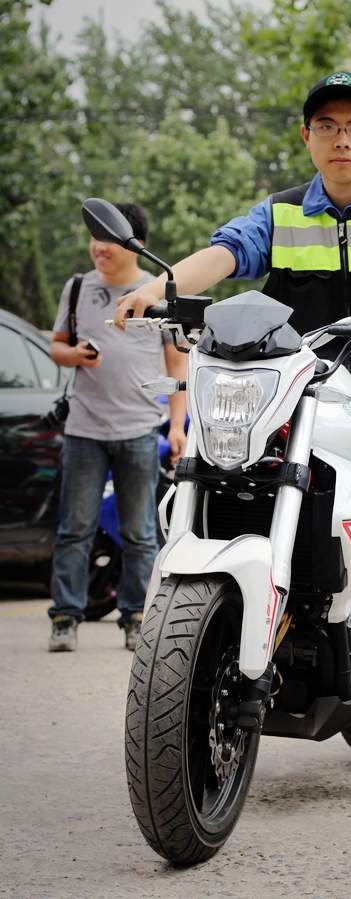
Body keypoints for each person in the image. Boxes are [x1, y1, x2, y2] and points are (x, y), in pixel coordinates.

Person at [114, 74, 351, 809]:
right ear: (307, 137)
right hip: (297, 417)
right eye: (326, 126)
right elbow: (227, 251)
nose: (341, 139)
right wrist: (159, 291)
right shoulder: (283, 212)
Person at [48, 202, 187, 652]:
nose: (98, 247)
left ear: (135, 244)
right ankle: (65, 617)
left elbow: (177, 365)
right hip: (84, 431)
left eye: (108, 239)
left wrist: (178, 427)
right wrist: (74, 354)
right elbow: (57, 346)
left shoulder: (157, 292)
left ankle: (135, 616)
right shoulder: (77, 288)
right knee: (75, 529)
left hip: (141, 430)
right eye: (95, 238)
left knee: (140, 532)